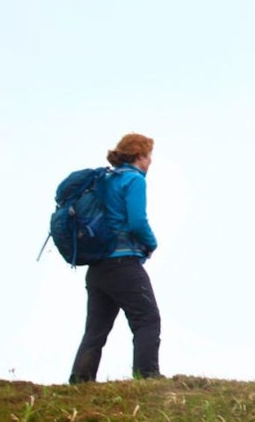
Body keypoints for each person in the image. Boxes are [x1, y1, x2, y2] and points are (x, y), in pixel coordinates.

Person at [69, 132, 162, 383]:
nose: (150, 161)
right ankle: (147, 377)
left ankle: (80, 380)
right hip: (123, 263)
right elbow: (137, 221)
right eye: (149, 155)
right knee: (147, 319)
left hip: (98, 266)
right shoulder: (134, 180)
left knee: (96, 329)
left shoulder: (106, 179)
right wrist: (152, 243)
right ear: (139, 155)